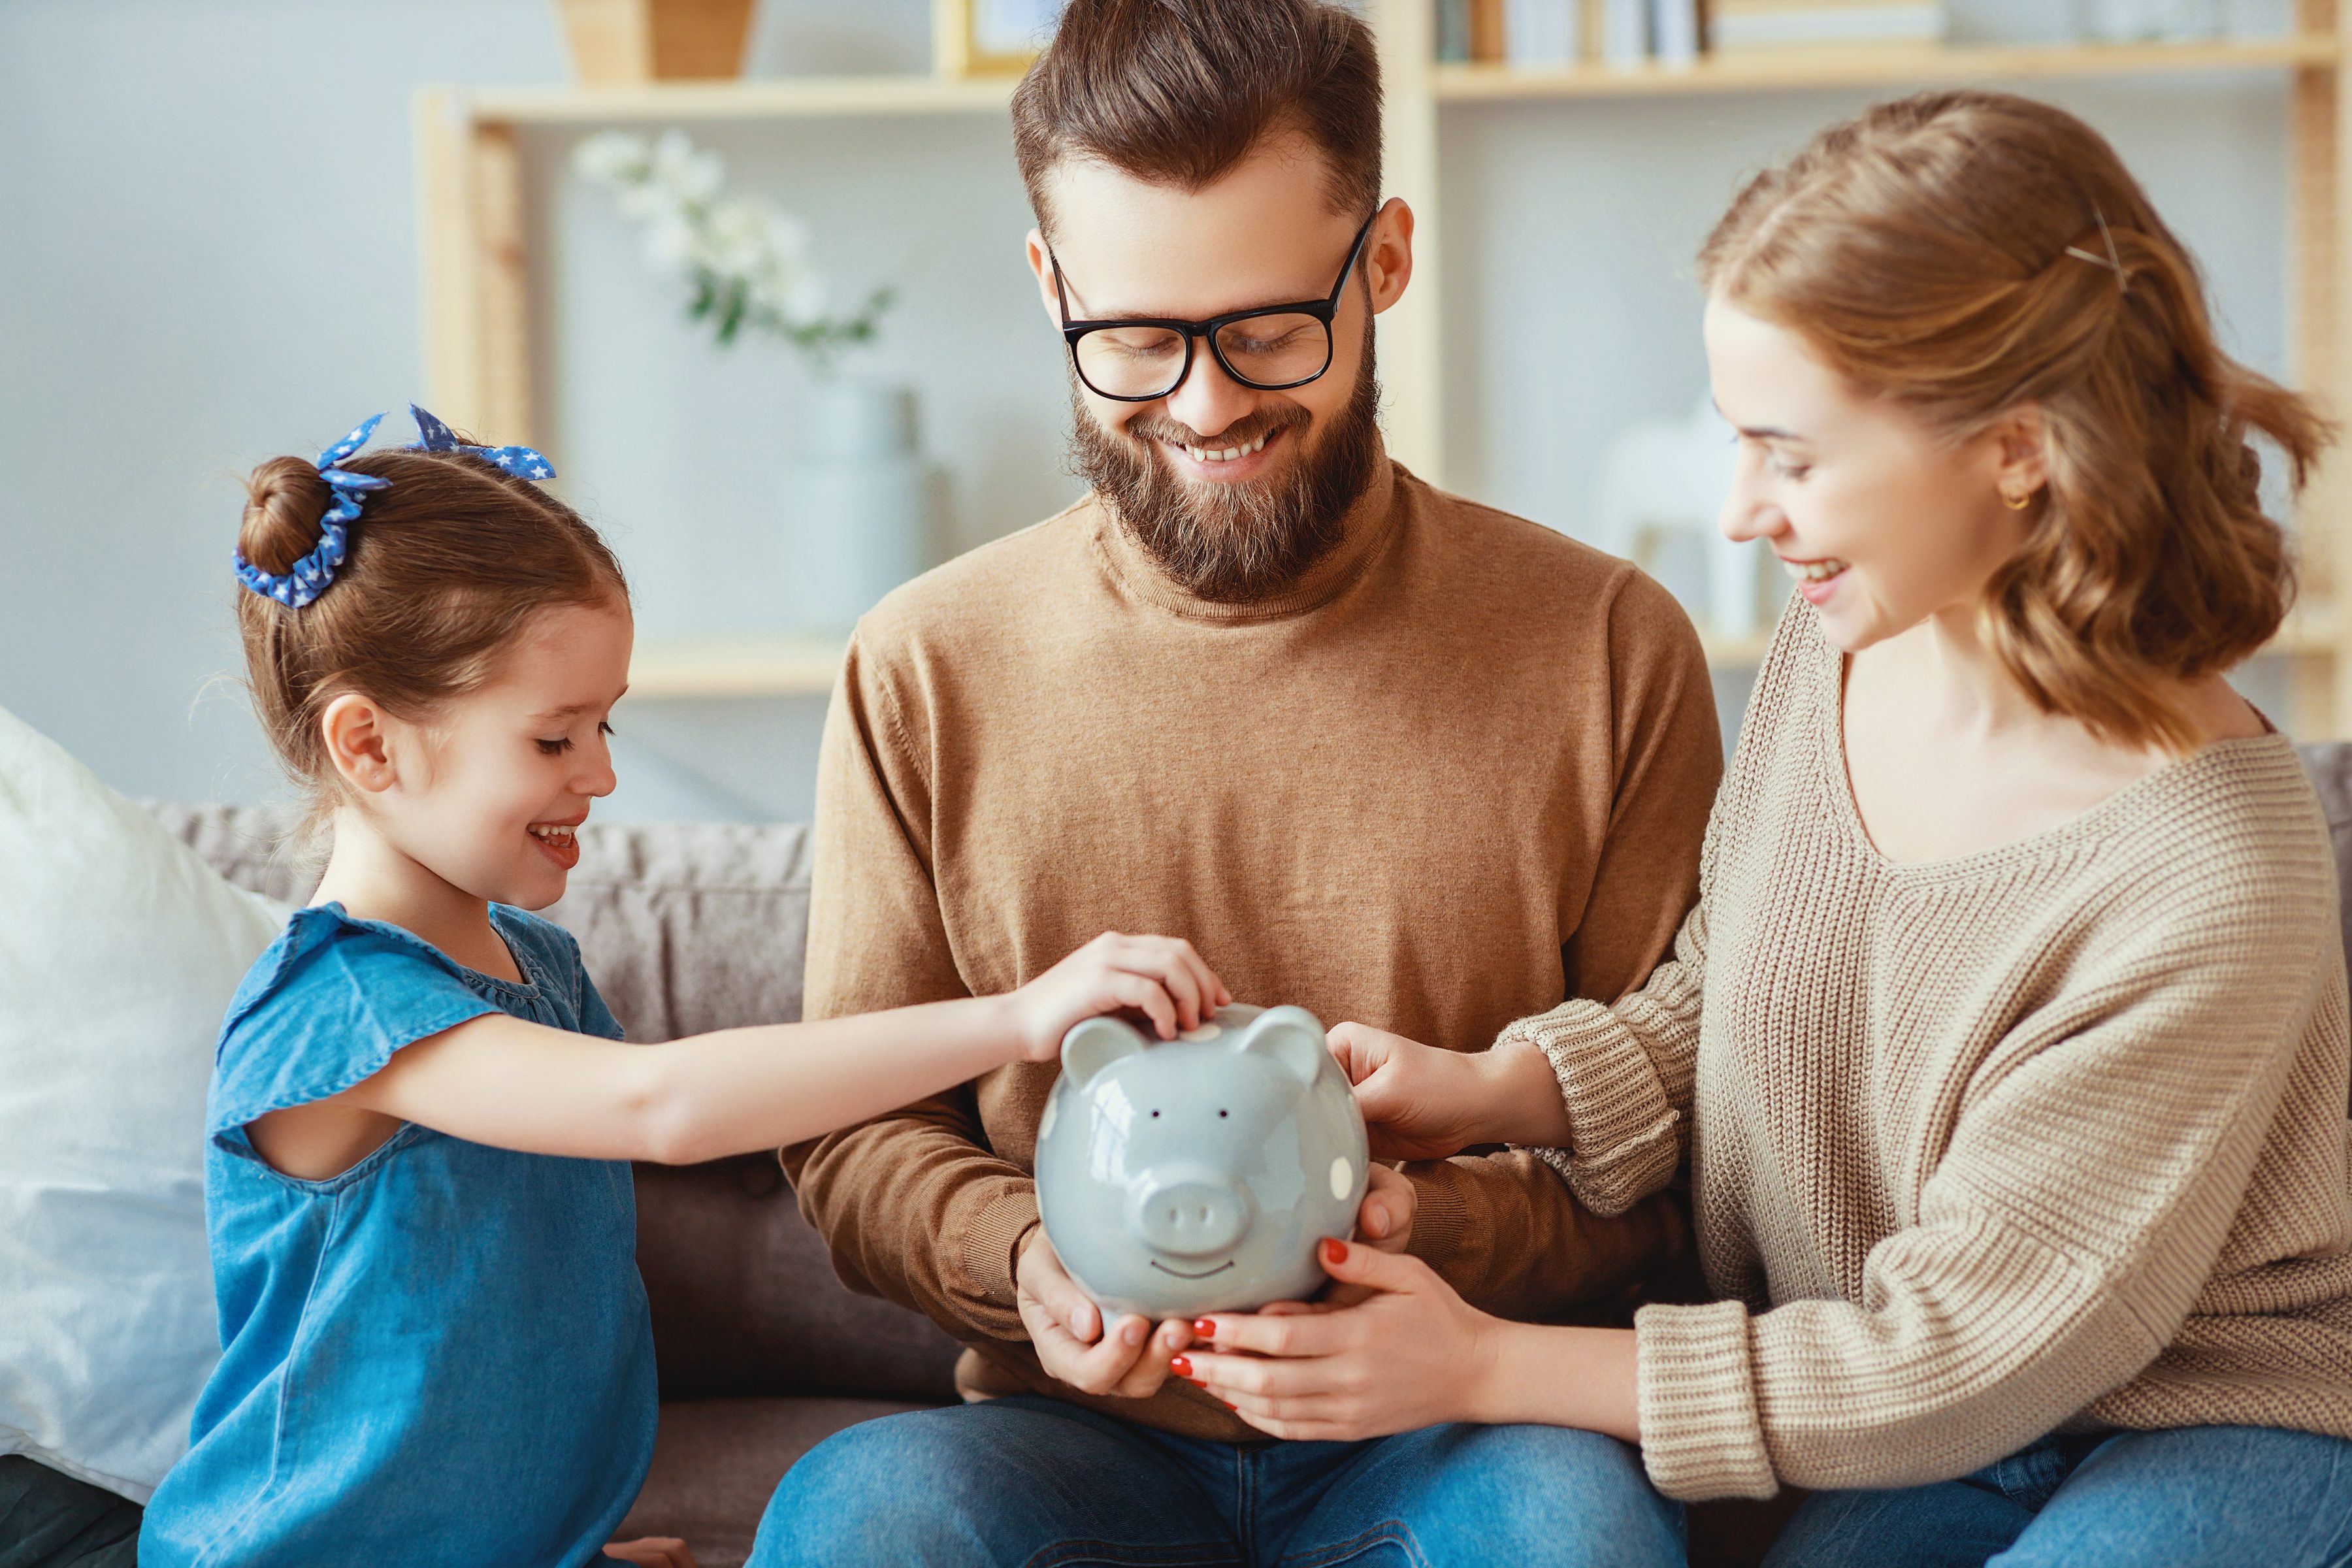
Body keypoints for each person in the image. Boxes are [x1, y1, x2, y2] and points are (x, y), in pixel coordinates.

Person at [1174, 90, 2352, 1568]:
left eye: (1791, 456)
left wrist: (1482, 1365)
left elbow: (1963, 1351)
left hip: (2198, 1423)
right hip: (1913, 1423)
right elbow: (1740, 995)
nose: (1741, 513)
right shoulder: (1846, 646)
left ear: (2016, 450)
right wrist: (1493, 1090)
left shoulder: (2207, 880)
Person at [751, 1, 1720, 1563]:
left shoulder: (1606, 648)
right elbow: (855, 1137)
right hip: (1072, 1440)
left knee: (1575, 1541)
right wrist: (1034, 1263)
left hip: (1460, 1422)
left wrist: (1425, 1230)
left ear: (1384, 261)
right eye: (1134, 338)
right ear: (1050, 285)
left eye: (1271, 331)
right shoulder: (921, 667)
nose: (1206, 407)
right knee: (869, 1516)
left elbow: (1682, 1137)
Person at [136, 407, 1228, 1568]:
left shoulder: (538, 970)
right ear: (369, 748)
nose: (602, 775)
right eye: (555, 740)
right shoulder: (339, 1010)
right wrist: (1016, 1017)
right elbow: (664, 1107)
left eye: (606, 726)